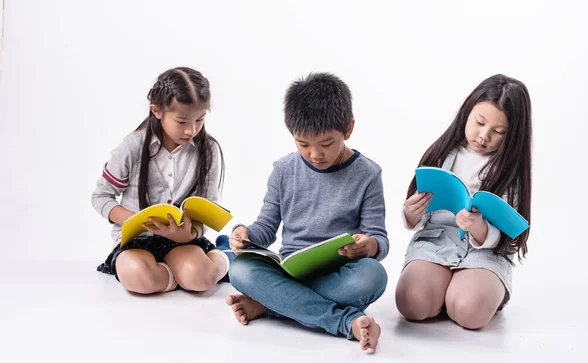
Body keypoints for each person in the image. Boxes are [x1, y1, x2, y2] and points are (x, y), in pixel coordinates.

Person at [224, 72, 389, 353]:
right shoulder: (284, 170)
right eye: (303, 144)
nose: (315, 154)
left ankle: (272, 304)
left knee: (373, 276)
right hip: (290, 270)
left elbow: (379, 240)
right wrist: (245, 235)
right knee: (239, 268)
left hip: (337, 275)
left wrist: (369, 246)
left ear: (348, 129)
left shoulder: (368, 174)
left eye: (326, 144)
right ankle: (345, 321)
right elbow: (265, 227)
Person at [395, 74, 532, 329]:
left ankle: (467, 289)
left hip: (485, 253)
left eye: (498, 132)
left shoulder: (510, 171)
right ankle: (443, 288)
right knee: (411, 303)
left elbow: (508, 234)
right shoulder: (443, 152)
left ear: (512, 135)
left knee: (470, 313)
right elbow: (418, 216)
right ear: (467, 112)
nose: (483, 136)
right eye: (479, 122)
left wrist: (479, 229)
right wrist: (411, 212)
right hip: (436, 241)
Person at [92, 67, 231, 294]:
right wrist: (132, 219)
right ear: (156, 111)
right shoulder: (131, 148)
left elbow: (210, 208)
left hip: (182, 240)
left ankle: (223, 256)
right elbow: (100, 196)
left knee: (201, 279)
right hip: (137, 239)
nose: (192, 130)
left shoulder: (209, 150)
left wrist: (189, 234)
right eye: (182, 121)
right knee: (139, 278)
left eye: (199, 120)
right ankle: (175, 273)